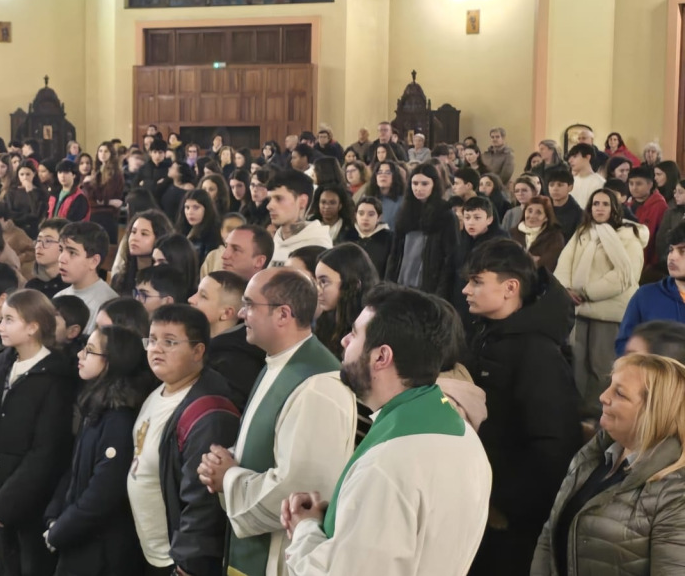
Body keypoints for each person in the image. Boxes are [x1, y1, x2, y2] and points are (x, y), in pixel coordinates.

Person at [282, 285, 493, 576]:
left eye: (355, 333)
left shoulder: (386, 465)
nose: (344, 340)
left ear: (381, 357)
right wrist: (341, 514)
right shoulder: (465, 436)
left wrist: (304, 529)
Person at [196, 269, 356, 576]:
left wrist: (228, 477)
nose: (242, 313)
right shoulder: (278, 361)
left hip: (281, 556)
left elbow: (298, 490)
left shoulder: (317, 383)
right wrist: (225, 459)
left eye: (250, 304)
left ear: (283, 314)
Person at [462, 239, 583, 575]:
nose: (465, 290)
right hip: (481, 500)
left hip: (507, 521)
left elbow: (553, 446)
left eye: (476, 281)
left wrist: (504, 504)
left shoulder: (537, 353)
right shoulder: (491, 334)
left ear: (509, 288)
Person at [531, 353, 685, 576]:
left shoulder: (676, 493)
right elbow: (549, 537)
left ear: (654, 412)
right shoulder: (591, 457)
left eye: (619, 393)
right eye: (609, 386)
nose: (603, 396)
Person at [0, 289, 77, 576]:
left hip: (28, 508)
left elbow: (46, 453)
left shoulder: (55, 377)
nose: (0, 327)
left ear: (33, 326)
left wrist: (5, 504)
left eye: (9, 320)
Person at [130, 305, 240, 576]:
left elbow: (203, 500)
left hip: (178, 561)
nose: (156, 349)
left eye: (169, 342)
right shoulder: (158, 391)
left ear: (198, 350)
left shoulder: (209, 410)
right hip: (149, 550)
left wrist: (188, 564)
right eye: (152, 340)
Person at [44, 325, 150, 576]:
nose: (80, 355)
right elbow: (74, 470)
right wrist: (53, 516)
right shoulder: (97, 408)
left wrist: (60, 530)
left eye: (90, 351)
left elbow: (103, 494)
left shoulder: (119, 420)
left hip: (101, 550)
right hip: (78, 537)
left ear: (113, 361)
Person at [554, 188, 647, 417]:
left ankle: (600, 413)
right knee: (578, 362)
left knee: (601, 364)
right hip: (579, 308)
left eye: (605, 204)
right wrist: (565, 288)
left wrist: (587, 292)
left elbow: (625, 276)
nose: (600, 208)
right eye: (596, 204)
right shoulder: (584, 232)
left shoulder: (629, 236)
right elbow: (565, 261)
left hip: (607, 310)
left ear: (614, 208)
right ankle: (578, 413)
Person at [189, 271, 264, 409]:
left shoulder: (235, 363)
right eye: (196, 292)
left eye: (203, 296)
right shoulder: (205, 346)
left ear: (226, 313)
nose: (191, 299)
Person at [384, 164, 459, 298]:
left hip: (428, 286)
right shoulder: (404, 211)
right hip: (401, 283)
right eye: (415, 183)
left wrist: (440, 293)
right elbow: (394, 253)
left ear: (434, 185)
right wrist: (388, 283)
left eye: (424, 184)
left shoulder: (445, 214)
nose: (418, 188)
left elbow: (450, 258)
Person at [618, 223, 685, 354]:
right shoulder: (645, 296)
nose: (672, 257)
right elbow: (624, 345)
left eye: (683, 251)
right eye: (671, 250)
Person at [312, 244, 379, 357]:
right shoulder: (325, 320)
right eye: (316, 282)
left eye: (324, 282)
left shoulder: (371, 329)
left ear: (352, 284)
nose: (317, 290)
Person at [55, 222, 119, 336]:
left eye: (72, 252)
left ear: (94, 261)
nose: (61, 258)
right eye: (61, 250)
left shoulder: (107, 304)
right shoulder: (59, 296)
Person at [267, 170, 333, 267]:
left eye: (279, 199)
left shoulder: (319, 248)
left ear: (302, 201)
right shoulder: (274, 241)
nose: (269, 206)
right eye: (269, 199)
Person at [111, 210, 176, 295]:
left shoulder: (167, 283)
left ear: (159, 238)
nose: (135, 238)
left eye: (144, 234)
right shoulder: (119, 279)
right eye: (133, 232)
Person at [510, 196, 567, 272]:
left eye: (538, 212)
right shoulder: (511, 233)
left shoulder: (555, 237)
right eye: (529, 211)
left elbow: (549, 264)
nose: (532, 216)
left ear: (546, 217)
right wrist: (530, 260)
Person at [627, 165, 667, 269]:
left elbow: (660, 238)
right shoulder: (628, 205)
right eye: (631, 183)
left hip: (649, 262)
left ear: (650, 185)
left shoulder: (660, 206)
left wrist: (653, 263)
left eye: (639, 184)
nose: (634, 187)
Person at [344, 197, 392, 276]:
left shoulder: (389, 238)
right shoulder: (347, 235)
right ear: (355, 215)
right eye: (361, 213)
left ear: (379, 217)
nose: (365, 218)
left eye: (371, 214)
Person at [26, 217, 69, 298]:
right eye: (38, 240)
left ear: (65, 246)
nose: (39, 246)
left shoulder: (72, 287)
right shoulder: (31, 287)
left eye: (48, 241)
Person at [357, 160, 404, 229]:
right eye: (379, 172)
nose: (383, 175)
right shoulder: (366, 199)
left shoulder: (401, 201)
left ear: (395, 176)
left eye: (388, 172)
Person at [567, 143, 607, 209]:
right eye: (570, 157)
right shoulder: (571, 181)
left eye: (575, 156)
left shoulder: (599, 182)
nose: (570, 161)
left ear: (587, 157)